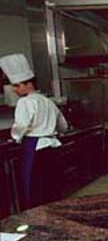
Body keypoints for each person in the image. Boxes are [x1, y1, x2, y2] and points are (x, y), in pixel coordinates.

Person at [0, 53, 68, 209]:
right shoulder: (48, 101)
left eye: (17, 86)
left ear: (28, 84)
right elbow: (63, 125)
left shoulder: (24, 102)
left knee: (36, 191)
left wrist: (15, 137)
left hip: (35, 149)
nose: (15, 90)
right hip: (52, 148)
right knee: (53, 190)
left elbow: (20, 126)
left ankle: (39, 224)